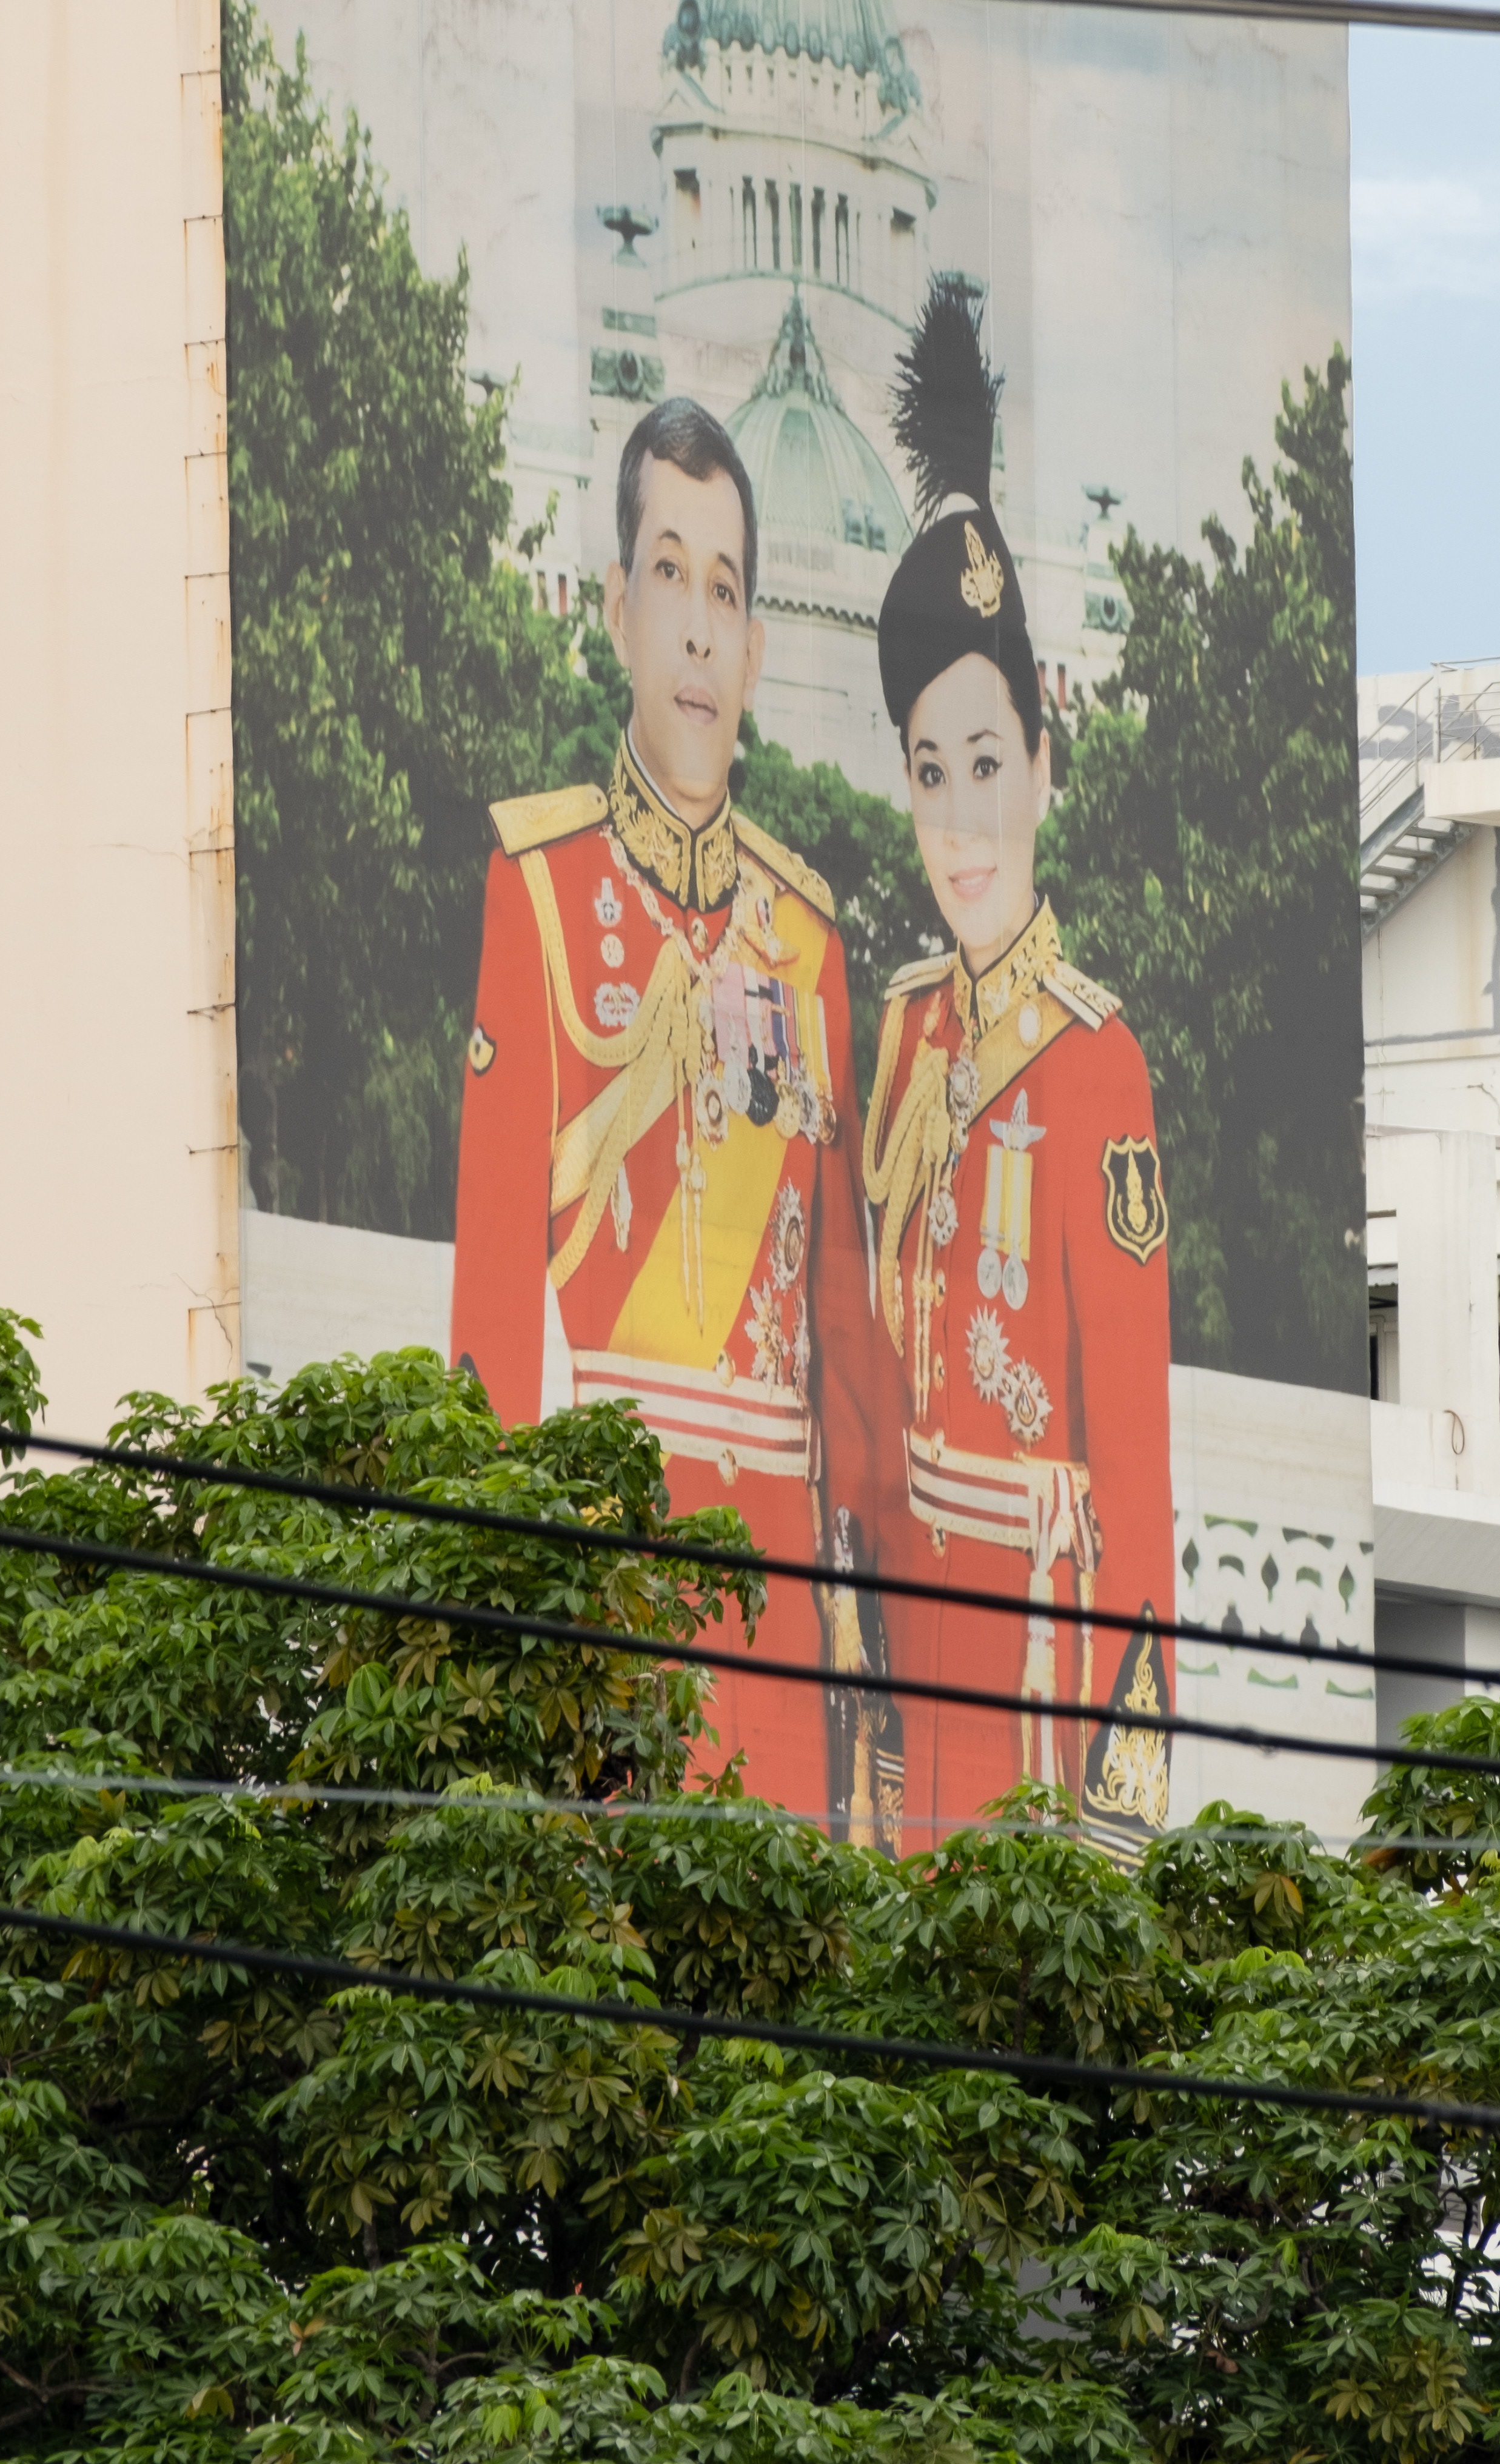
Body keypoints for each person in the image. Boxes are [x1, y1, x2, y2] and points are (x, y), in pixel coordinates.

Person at [451, 396, 892, 1836]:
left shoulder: (811, 941)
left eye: (728, 590)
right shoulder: (540, 885)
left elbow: (844, 1335)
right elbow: (492, 1324)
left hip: (775, 1607)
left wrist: (863, 1645)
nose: (699, 628)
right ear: (616, 615)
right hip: (610, 1578)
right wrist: (509, 1639)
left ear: (757, 649)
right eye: (668, 575)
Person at [859, 278, 1176, 1860]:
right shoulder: (904, 1031)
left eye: (986, 765)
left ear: (1042, 766)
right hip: (907, 1662)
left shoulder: (1097, 1060)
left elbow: (1135, 1461)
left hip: (1043, 1683)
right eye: (931, 775)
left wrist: (1120, 1824)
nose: (963, 820)